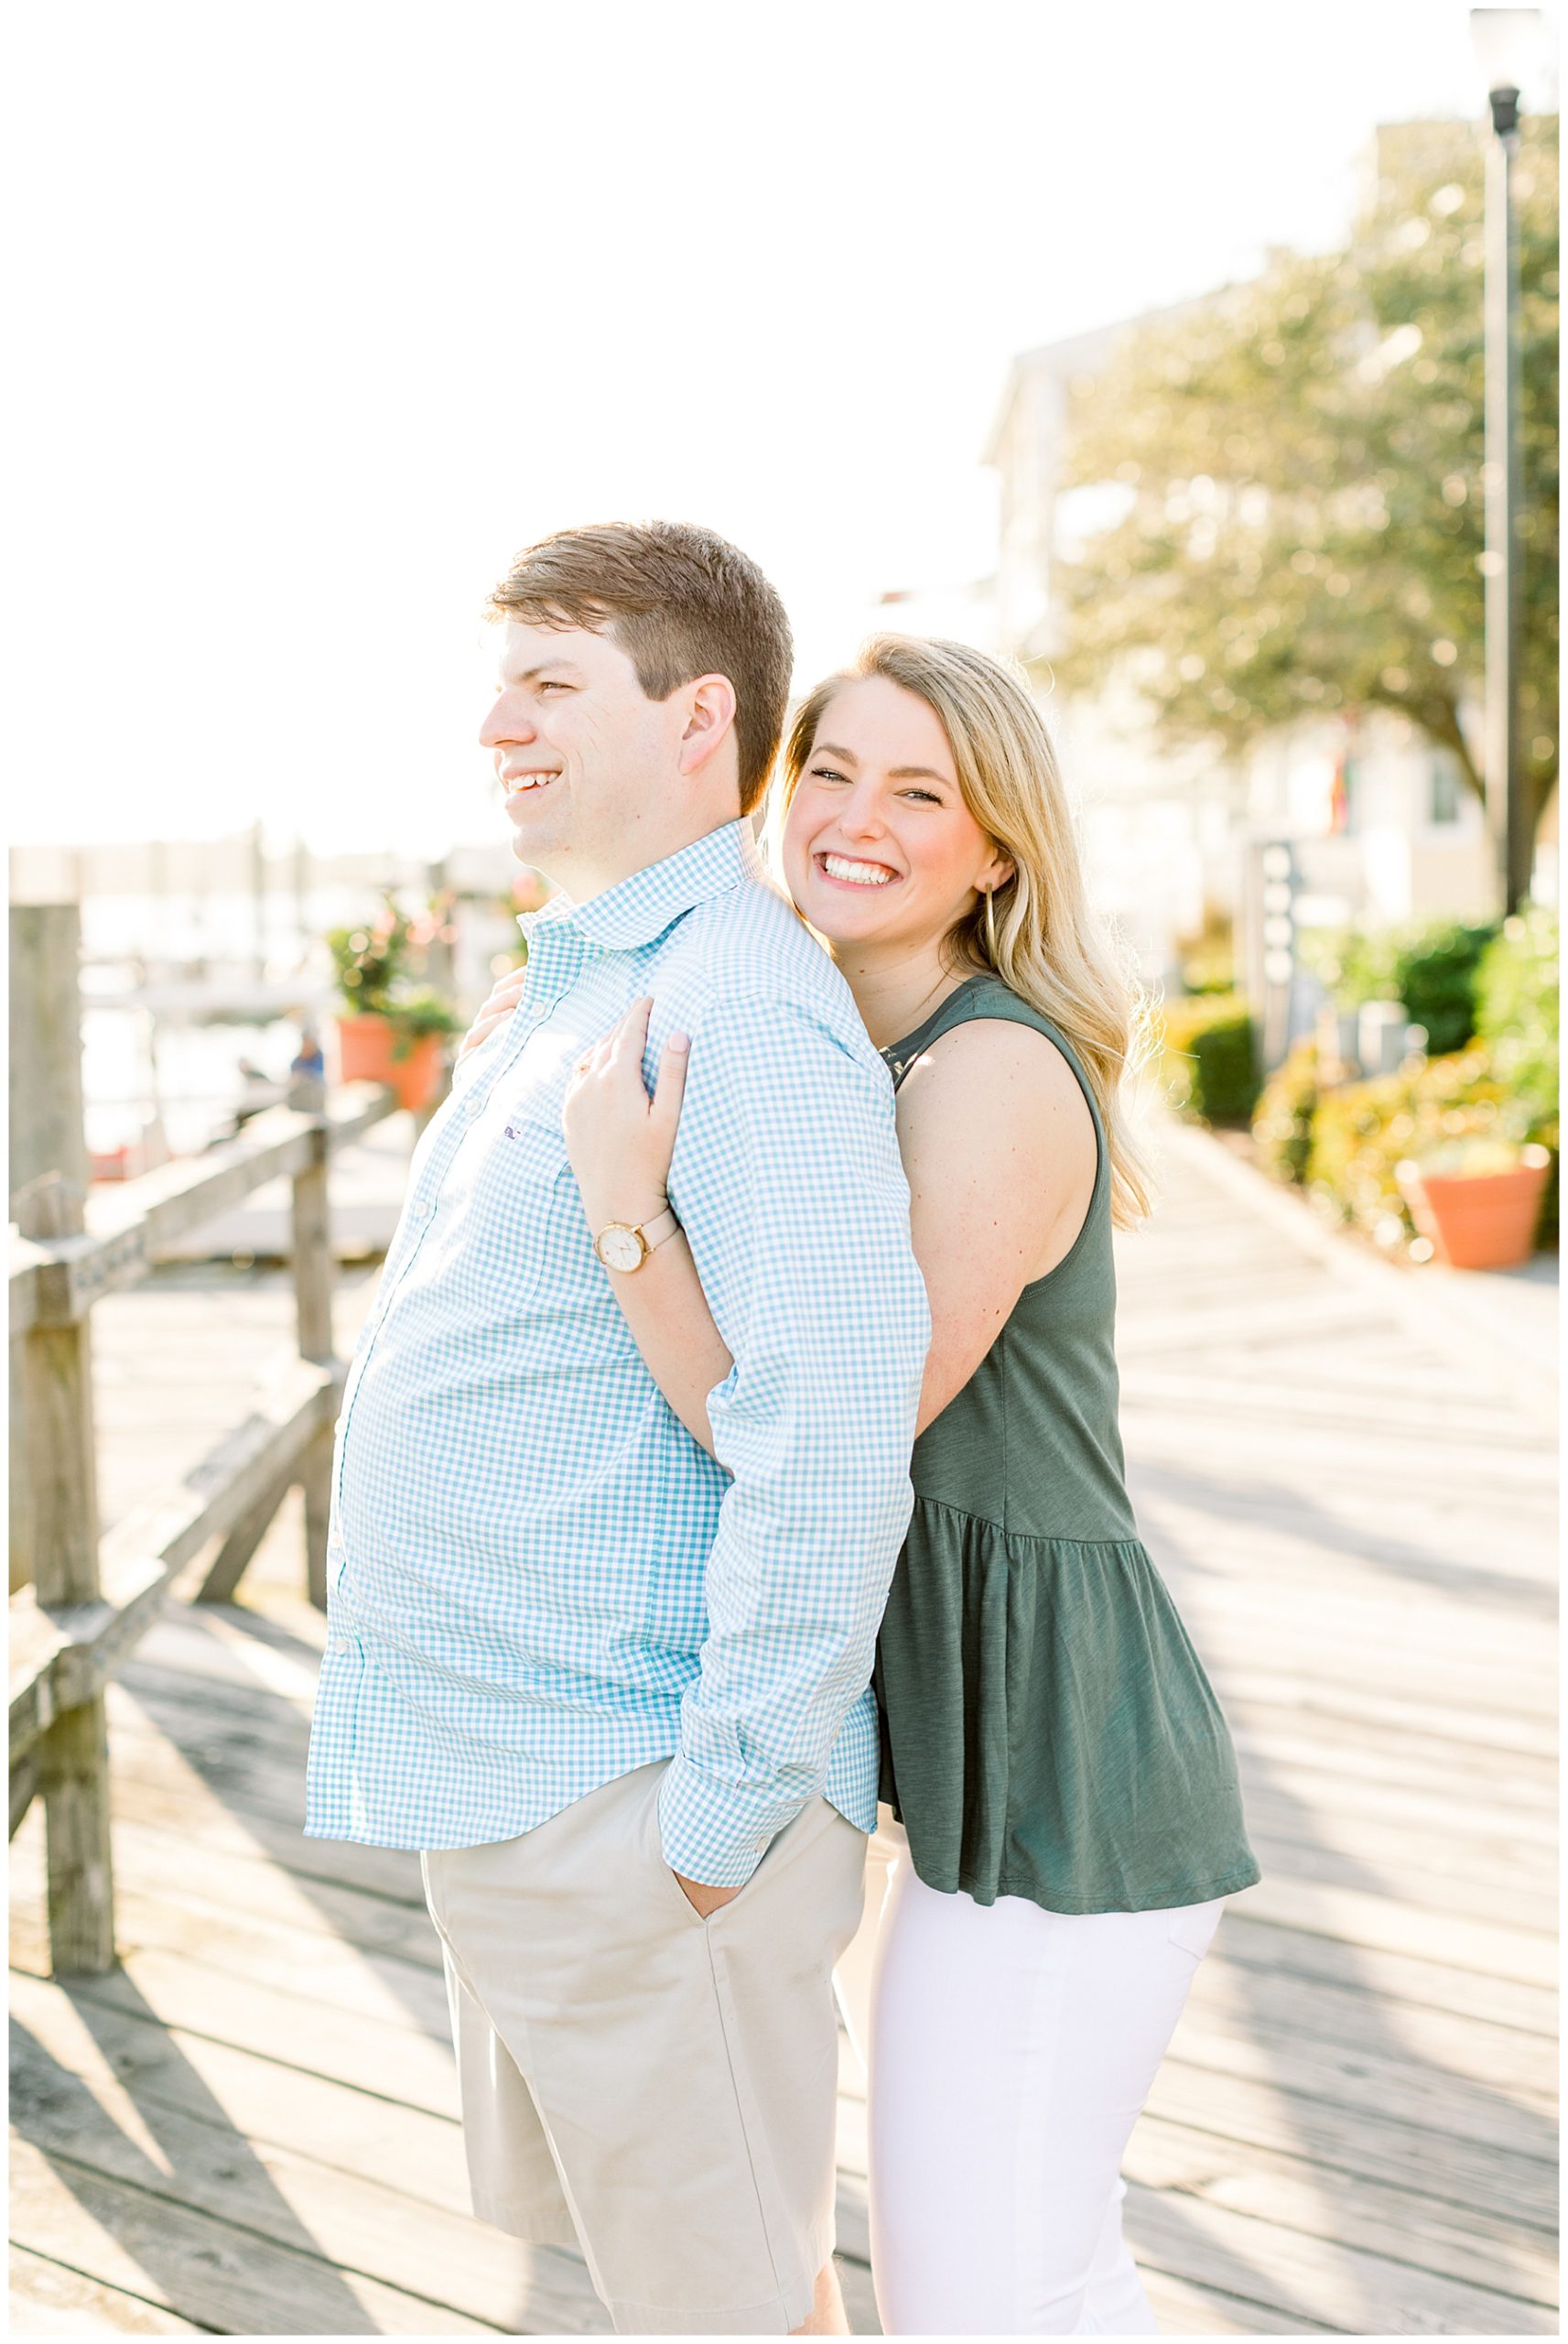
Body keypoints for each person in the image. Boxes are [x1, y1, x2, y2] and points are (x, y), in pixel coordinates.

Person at [465, 634, 1260, 2335]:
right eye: (829, 770)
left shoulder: (992, 1073)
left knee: (1000, 2288)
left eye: (921, 791)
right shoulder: (812, 1036)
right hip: (938, 1752)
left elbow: (821, 1433)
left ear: (996, 849)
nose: (855, 817)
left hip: (1060, 1759)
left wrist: (630, 1218)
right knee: (902, 2268)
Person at [303, 523, 929, 2339]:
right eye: (497, 684)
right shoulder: (574, 981)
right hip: (522, 1778)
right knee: (692, 2293)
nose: (495, 723)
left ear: (696, 713)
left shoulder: (745, 1006)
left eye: (548, 682)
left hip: (638, 1800)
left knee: (730, 2309)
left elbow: (826, 1443)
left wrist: (718, 1815)